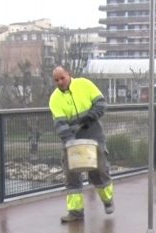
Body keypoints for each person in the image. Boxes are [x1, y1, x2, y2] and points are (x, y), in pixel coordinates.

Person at [49, 65, 114, 223]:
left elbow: (101, 104)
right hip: (71, 138)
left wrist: (90, 117)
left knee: (98, 170)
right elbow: (60, 124)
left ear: (69, 74)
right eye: (56, 80)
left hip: (93, 133)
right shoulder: (55, 98)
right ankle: (75, 212)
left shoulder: (85, 84)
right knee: (72, 174)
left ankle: (108, 200)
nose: (60, 82)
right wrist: (70, 141)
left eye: (62, 78)